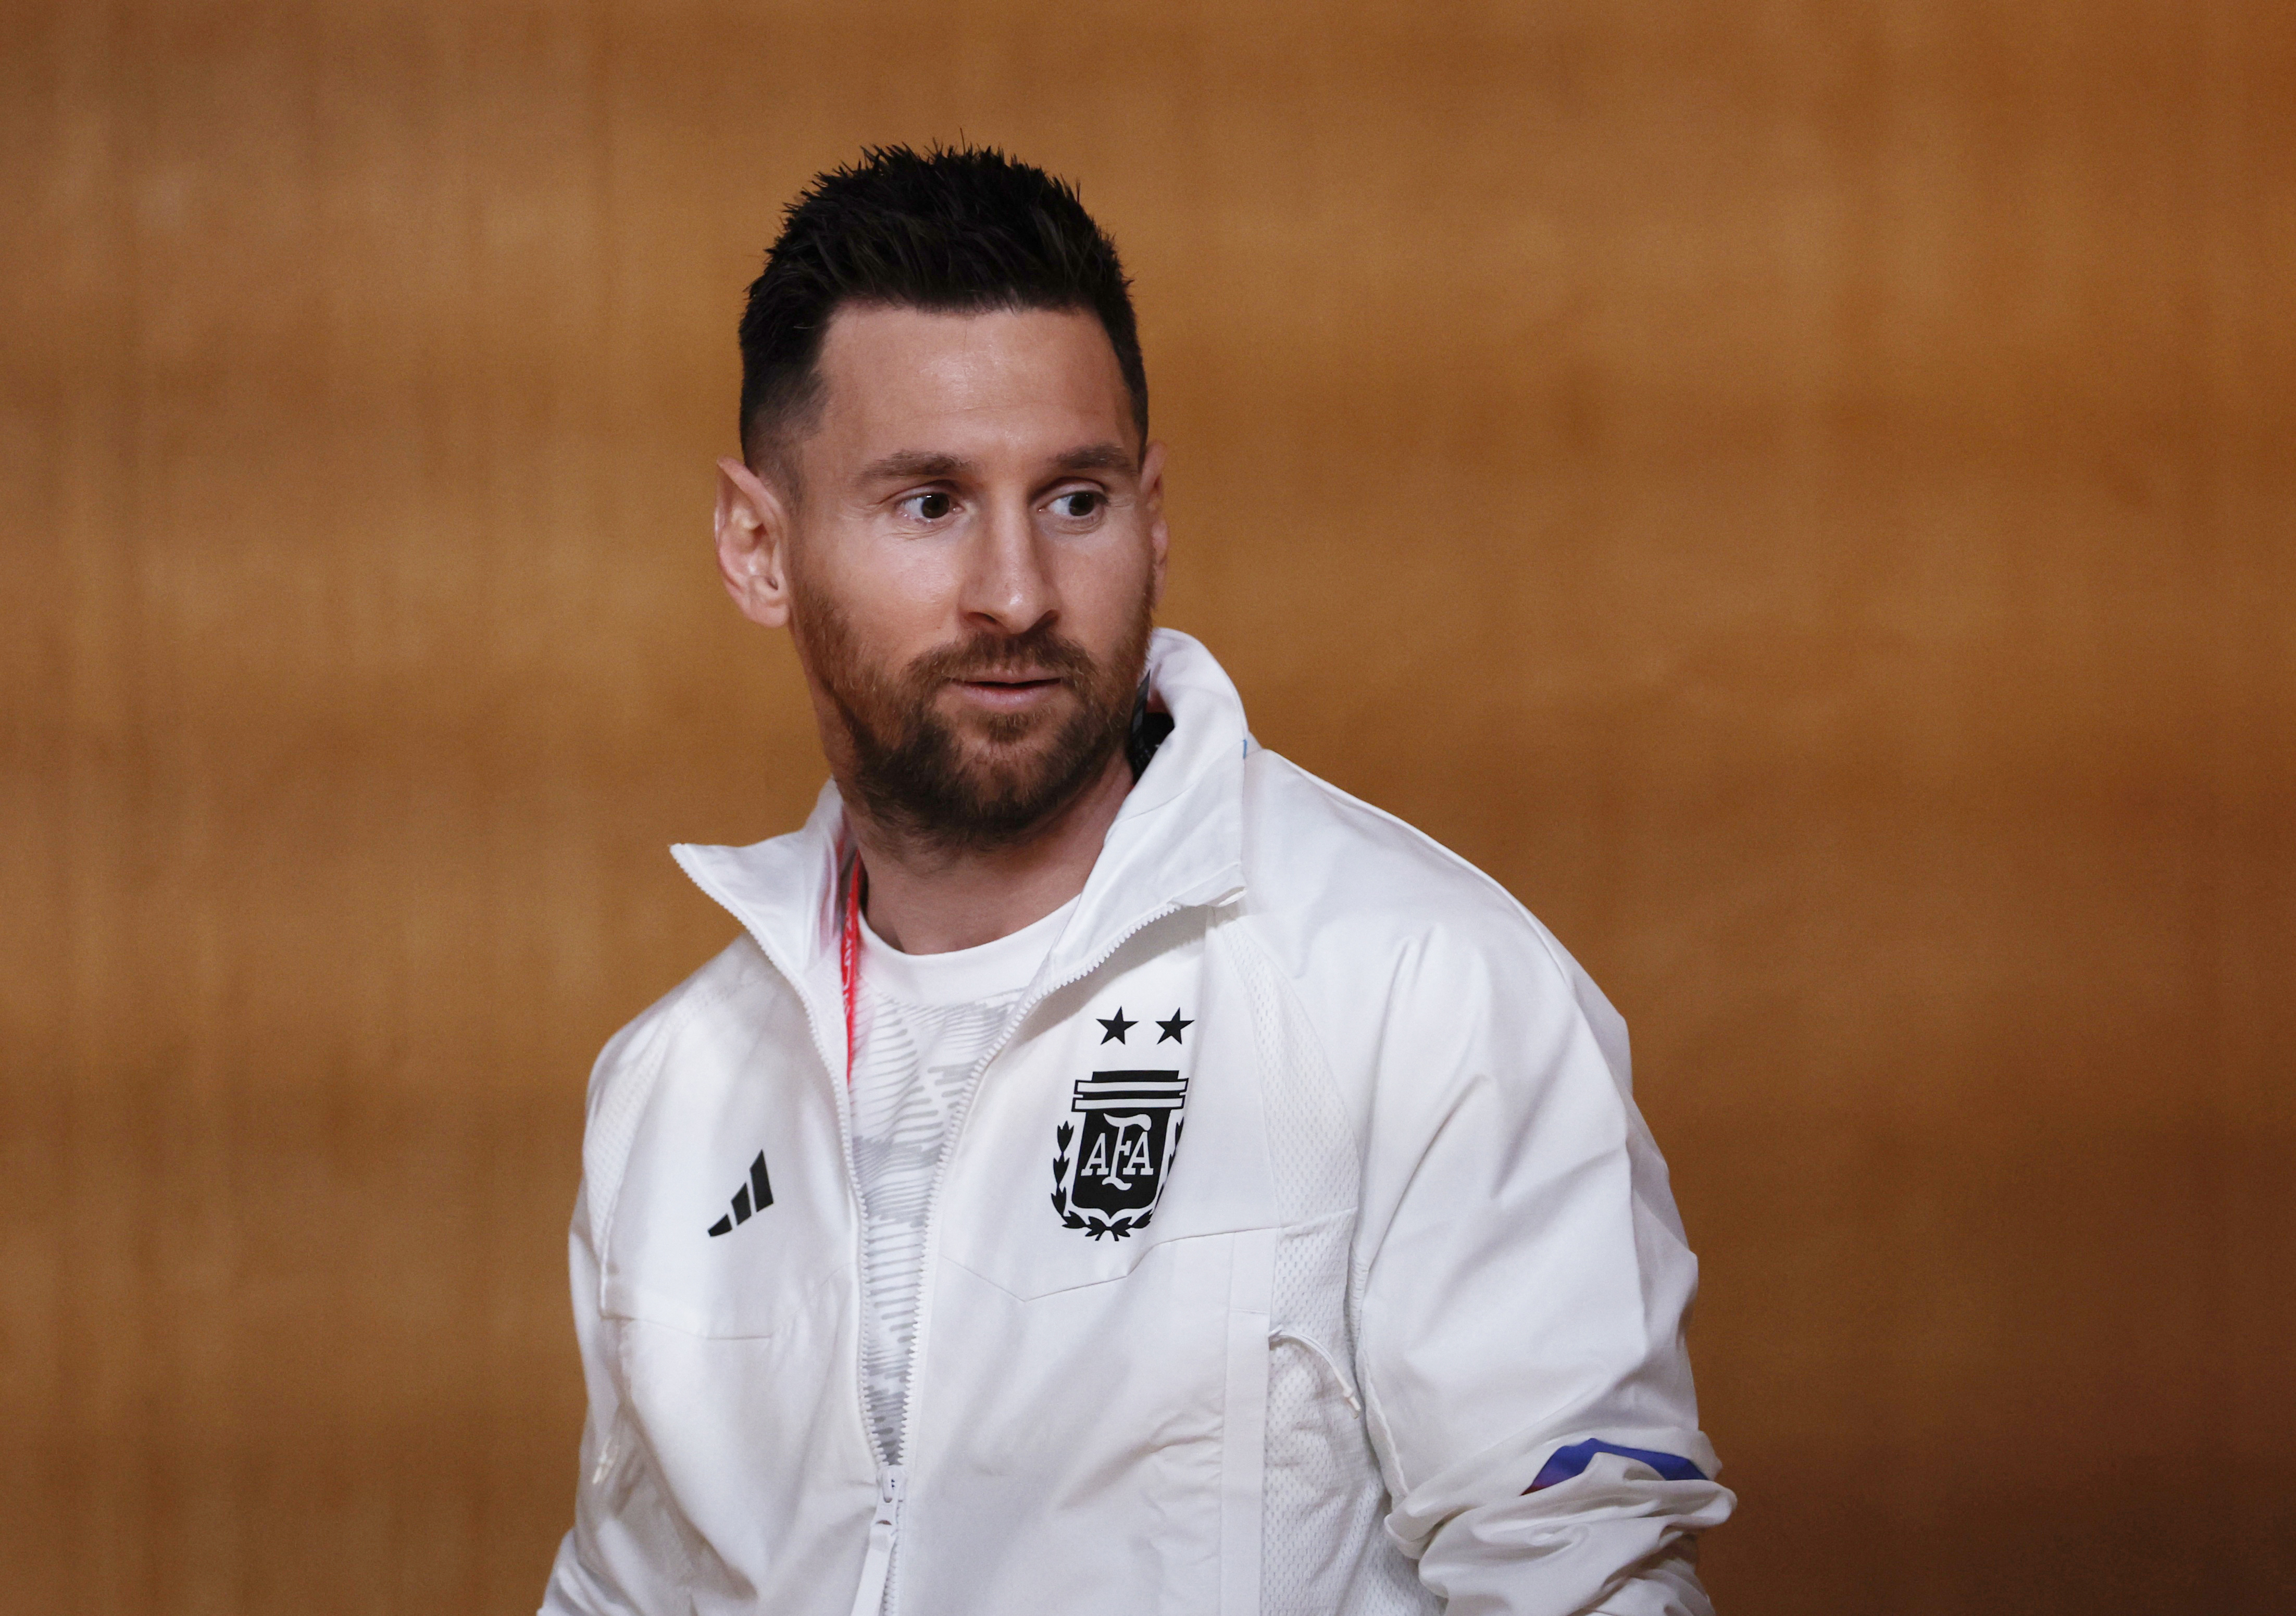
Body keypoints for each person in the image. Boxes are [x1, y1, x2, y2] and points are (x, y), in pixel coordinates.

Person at [541, 144, 1732, 1616]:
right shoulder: (672, 1089)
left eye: (1077, 500)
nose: (1019, 593)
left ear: (1155, 513)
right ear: (757, 545)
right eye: (928, 504)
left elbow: (1584, 1583)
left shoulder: (1424, 993)